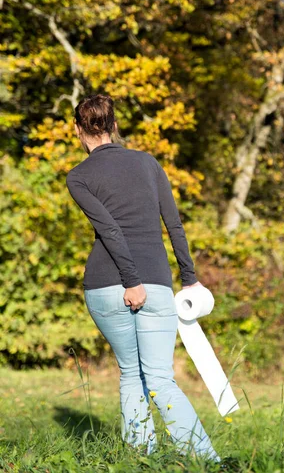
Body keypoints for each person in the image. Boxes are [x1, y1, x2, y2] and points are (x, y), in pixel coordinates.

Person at [66, 93, 220, 462]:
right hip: (146, 282)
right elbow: (173, 225)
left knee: (132, 375)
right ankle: (207, 463)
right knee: (159, 378)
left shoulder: (78, 177)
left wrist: (137, 281)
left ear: (77, 130)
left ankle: (141, 460)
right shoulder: (147, 163)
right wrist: (188, 278)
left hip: (103, 287)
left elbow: (110, 230)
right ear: (115, 126)